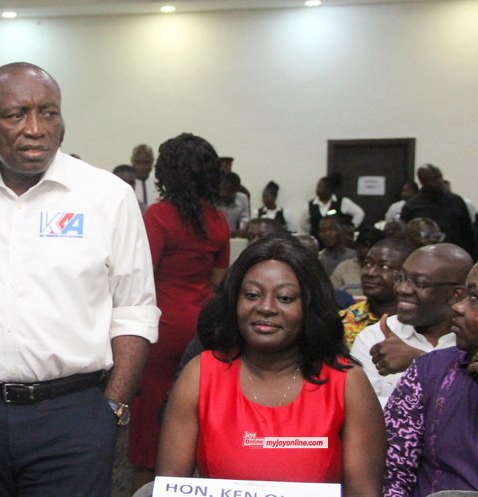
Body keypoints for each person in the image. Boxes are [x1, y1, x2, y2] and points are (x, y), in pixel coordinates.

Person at [0, 62, 159, 497]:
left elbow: (135, 308)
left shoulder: (107, 196)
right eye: (16, 115)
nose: (35, 128)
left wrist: (112, 405)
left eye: (48, 112)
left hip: (73, 417)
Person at [156, 236, 384, 496]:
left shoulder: (347, 383)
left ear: (309, 306)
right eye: (252, 295)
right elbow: (170, 487)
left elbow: (364, 491)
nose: (265, 307)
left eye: (285, 298)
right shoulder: (200, 374)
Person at [128, 133, 230, 492]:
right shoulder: (217, 219)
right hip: (202, 326)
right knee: (195, 407)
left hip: (162, 326)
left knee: (149, 431)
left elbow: (141, 274)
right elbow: (219, 281)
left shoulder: (159, 215)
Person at [383, 260, 478, 496]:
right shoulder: (428, 371)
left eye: (475, 299)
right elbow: (392, 476)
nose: (458, 307)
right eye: (464, 295)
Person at [350, 243, 471, 404]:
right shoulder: (375, 336)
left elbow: (468, 408)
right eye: (401, 278)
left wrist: (420, 362)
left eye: (419, 283)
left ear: (456, 294)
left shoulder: (472, 340)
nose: (402, 289)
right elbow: (362, 410)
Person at [340, 238, 415, 347]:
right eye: (368, 264)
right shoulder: (342, 321)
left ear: (406, 275)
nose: (370, 273)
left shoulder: (420, 324)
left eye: (384, 266)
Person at [401, 164, 477, 259]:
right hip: (423, 256)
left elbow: (468, 233)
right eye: (433, 179)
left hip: (454, 255)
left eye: (440, 177)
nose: (439, 181)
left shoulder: (455, 201)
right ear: (422, 181)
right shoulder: (412, 205)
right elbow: (406, 236)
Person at [300, 173, 365, 242]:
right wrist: (313, 231)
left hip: (338, 242)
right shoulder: (310, 205)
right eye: (317, 187)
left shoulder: (342, 202)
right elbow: (302, 223)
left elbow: (360, 214)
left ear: (329, 189)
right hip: (318, 242)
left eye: (321, 187)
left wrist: (349, 229)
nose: (318, 190)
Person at [331, 227, 386, 296]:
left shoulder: (388, 270)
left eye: (370, 262)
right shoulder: (343, 268)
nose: (369, 270)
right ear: (356, 249)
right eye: (363, 260)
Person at [216, 172, 250, 238]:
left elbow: (245, 218)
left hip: (232, 236)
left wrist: (241, 230)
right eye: (222, 188)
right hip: (215, 235)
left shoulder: (242, 198)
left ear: (236, 190)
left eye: (228, 190)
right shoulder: (213, 199)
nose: (224, 193)